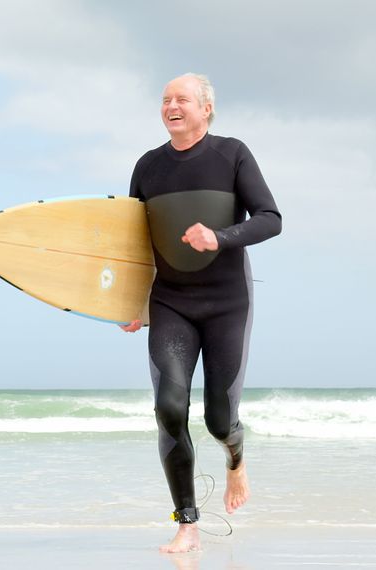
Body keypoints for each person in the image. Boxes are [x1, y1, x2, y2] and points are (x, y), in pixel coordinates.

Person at [121, 73, 282, 553]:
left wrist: (219, 237)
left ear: (206, 109)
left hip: (227, 303)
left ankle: (235, 458)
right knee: (169, 411)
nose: (172, 105)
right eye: (166, 99)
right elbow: (131, 242)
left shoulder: (231, 154)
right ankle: (187, 523)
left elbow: (271, 219)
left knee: (217, 419)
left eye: (182, 99)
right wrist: (129, 302)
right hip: (169, 301)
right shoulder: (148, 166)